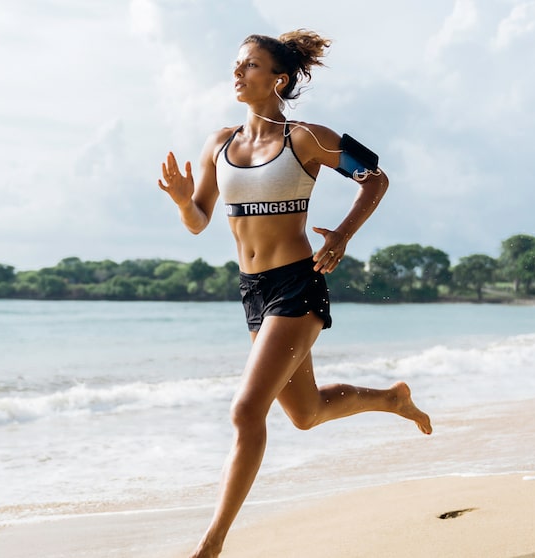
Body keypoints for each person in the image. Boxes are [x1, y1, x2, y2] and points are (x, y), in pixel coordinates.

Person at [157, 29, 433, 558]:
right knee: (305, 414)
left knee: (245, 413)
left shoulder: (306, 138)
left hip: (296, 288)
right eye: (237, 65)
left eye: (250, 66)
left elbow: (375, 178)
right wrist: (179, 199)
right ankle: (391, 399)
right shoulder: (220, 143)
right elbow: (198, 221)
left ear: (278, 79)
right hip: (253, 293)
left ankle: (211, 545)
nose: (237, 73)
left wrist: (344, 236)